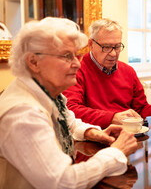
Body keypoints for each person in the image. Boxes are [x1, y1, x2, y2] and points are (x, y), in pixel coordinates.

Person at [0, 17, 138, 189]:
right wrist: (116, 152)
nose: (77, 64)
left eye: (76, 55)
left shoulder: (47, 93)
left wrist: (94, 133)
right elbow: (63, 182)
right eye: (67, 56)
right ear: (34, 62)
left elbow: (69, 122)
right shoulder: (23, 114)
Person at [63, 18, 151, 129]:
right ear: (91, 45)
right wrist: (112, 118)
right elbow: (70, 111)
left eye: (117, 47)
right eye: (106, 47)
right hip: (95, 137)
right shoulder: (76, 70)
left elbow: (141, 109)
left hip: (127, 135)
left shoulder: (128, 71)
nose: (113, 54)